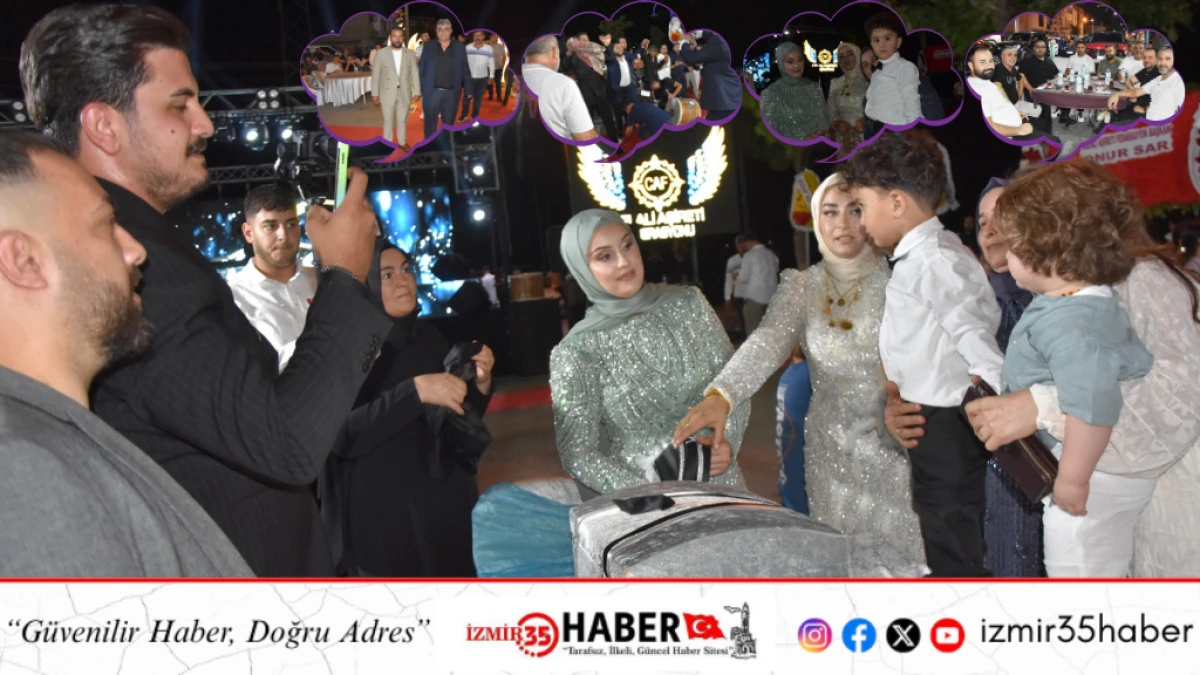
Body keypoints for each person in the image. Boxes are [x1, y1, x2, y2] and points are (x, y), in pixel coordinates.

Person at [21, 4, 393, 577]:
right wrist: (343, 273)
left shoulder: (144, 246)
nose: (206, 125)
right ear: (104, 126)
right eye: (180, 105)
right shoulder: (135, 267)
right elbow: (285, 440)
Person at [889, 164, 1200, 578]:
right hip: (1024, 493)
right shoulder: (1002, 292)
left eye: (1011, 224)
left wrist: (1041, 408)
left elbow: (1178, 397)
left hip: (1111, 498)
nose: (996, 234)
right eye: (985, 221)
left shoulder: (1129, 280)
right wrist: (902, 405)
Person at [0, 132, 251, 577]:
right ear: (24, 261)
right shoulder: (22, 466)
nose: (135, 251)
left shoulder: (54, 438)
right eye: (105, 225)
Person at [673, 173, 926, 575]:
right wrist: (722, 394)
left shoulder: (901, 278)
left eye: (855, 210)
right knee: (845, 564)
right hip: (830, 449)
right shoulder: (803, 287)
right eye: (830, 212)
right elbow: (766, 342)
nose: (842, 224)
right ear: (817, 220)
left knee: (906, 565)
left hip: (896, 444)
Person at [842, 130, 1004, 577]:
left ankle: (962, 603)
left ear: (896, 203)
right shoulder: (930, 254)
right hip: (931, 422)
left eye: (862, 207)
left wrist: (1001, 399)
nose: (860, 223)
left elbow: (973, 334)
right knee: (943, 526)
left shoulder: (934, 260)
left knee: (952, 536)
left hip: (949, 425)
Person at [990, 161, 1154, 578]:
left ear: (1046, 250)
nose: (1006, 257)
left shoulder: (1070, 323)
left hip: (1090, 472)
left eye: (1013, 247)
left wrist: (1073, 478)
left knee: (1078, 575)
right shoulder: (1087, 301)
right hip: (1105, 468)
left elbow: (1093, 406)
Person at [549, 210, 749, 499]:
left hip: (719, 482)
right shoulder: (577, 350)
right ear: (582, 268)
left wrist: (724, 441)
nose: (623, 261)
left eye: (627, 245)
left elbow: (734, 381)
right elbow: (578, 453)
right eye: (605, 256)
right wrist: (651, 493)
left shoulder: (688, 304)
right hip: (643, 500)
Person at [322, 242, 494, 577]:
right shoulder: (346, 349)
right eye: (387, 275)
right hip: (388, 511)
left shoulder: (427, 336)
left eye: (406, 269)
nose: (403, 281)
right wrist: (413, 392)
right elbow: (340, 434)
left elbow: (456, 416)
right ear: (366, 285)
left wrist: (481, 383)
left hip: (444, 502)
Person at [974, 178, 1042, 577]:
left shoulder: (1064, 301)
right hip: (996, 476)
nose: (989, 230)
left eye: (1001, 216)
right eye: (982, 221)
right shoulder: (970, 306)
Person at [226, 182, 316, 372]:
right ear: (248, 232)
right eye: (270, 226)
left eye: (291, 224)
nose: (283, 235)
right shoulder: (233, 299)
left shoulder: (323, 281)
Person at [967, 45, 1060, 144]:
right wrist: (1019, 130)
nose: (989, 66)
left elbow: (1021, 77)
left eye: (991, 61)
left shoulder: (986, 82)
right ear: (971, 66)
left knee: (1043, 124)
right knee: (1055, 142)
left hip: (1015, 116)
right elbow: (989, 126)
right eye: (982, 62)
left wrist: (1016, 108)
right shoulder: (977, 89)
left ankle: (1041, 138)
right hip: (1012, 134)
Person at [522, 35, 599, 142]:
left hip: (597, 91)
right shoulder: (563, 83)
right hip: (581, 91)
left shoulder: (517, 77)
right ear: (555, 51)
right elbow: (586, 138)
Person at [862, 12, 921, 137]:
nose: (881, 45)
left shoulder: (904, 67)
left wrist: (915, 130)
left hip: (898, 128)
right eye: (876, 40)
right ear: (871, 44)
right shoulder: (877, 71)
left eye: (887, 39)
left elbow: (911, 100)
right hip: (878, 127)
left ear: (898, 42)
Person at [760, 42, 831, 142]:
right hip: (789, 150)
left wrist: (824, 134)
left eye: (800, 60)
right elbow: (768, 135)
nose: (797, 65)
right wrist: (801, 140)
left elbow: (824, 123)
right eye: (790, 62)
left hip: (818, 148)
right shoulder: (771, 93)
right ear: (781, 63)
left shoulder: (814, 88)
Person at [418, 19, 472, 140]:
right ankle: (430, 144)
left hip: (451, 93)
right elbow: (421, 67)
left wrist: (468, 89)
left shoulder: (459, 47)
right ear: (436, 31)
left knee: (448, 123)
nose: (443, 32)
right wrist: (418, 89)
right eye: (440, 29)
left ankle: (447, 145)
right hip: (431, 92)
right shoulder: (429, 46)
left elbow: (465, 68)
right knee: (429, 124)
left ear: (451, 31)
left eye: (446, 29)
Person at [372, 26, 421, 151]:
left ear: (403, 38)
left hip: (404, 91)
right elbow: (376, 74)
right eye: (395, 36)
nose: (397, 39)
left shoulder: (410, 53)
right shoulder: (381, 53)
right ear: (390, 37)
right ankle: (387, 144)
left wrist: (416, 91)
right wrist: (375, 93)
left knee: (402, 120)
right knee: (387, 120)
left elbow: (414, 73)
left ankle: (402, 142)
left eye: (400, 36)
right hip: (386, 91)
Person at [1108, 46, 1183, 123]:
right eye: (1144, 57)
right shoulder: (1153, 75)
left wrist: (1144, 109)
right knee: (1115, 113)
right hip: (1138, 107)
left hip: (1146, 114)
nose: (1146, 60)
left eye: (1150, 57)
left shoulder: (1164, 75)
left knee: (1116, 119)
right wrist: (1119, 94)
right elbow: (1134, 88)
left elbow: (1168, 107)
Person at [567, 34, 619, 143]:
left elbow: (611, 58)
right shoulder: (575, 55)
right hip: (586, 96)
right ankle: (590, 145)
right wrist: (570, 52)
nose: (586, 42)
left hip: (600, 93)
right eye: (583, 40)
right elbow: (567, 66)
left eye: (587, 39)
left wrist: (607, 45)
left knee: (608, 120)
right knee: (587, 124)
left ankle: (615, 143)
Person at [677, 31, 741, 121]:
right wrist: (696, 35)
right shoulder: (720, 44)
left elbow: (690, 58)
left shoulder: (717, 44)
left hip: (722, 101)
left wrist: (684, 41)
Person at [827, 42, 869, 156]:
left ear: (858, 55)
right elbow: (830, 111)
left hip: (867, 137)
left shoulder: (868, 79)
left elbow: (881, 107)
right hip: (843, 138)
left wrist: (867, 120)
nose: (845, 59)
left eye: (850, 54)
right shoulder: (836, 83)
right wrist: (837, 123)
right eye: (841, 56)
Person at [736, 232, 779, 334]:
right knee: (769, 331)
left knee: (753, 332)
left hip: (755, 298)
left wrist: (736, 276)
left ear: (749, 242)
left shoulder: (749, 255)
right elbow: (776, 271)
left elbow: (743, 278)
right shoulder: (772, 255)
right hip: (771, 297)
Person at [461, 31, 493, 121]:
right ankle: (464, 115)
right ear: (473, 37)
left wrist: (491, 76)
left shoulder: (488, 48)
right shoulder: (467, 47)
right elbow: (463, 61)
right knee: (467, 97)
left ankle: (474, 116)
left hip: (482, 77)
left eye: (479, 35)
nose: (477, 37)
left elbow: (491, 62)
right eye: (475, 35)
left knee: (478, 99)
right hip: (469, 77)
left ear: (483, 36)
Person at [607, 42, 640, 133]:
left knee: (635, 105)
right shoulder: (611, 62)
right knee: (618, 111)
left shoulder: (627, 59)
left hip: (629, 87)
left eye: (621, 47)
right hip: (617, 90)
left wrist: (642, 47)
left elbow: (636, 54)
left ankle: (633, 123)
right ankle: (620, 130)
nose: (620, 48)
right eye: (616, 47)